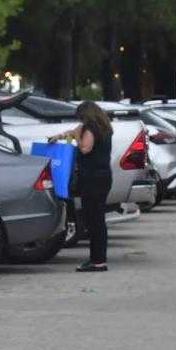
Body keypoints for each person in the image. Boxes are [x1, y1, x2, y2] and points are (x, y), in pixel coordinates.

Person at [49, 101, 113, 272]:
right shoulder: (104, 128)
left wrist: (77, 136)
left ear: (86, 115)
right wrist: (60, 136)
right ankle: (98, 259)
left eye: (81, 117)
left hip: (92, 179)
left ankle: (97, 261)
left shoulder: (90, 128)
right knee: (98, 220)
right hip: (103, 177)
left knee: (94, 221)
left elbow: (85, 148)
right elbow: (73, 133)